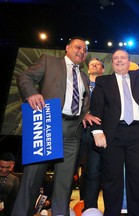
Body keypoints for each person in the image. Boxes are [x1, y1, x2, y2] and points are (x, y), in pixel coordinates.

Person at [12, 36, 100, 216]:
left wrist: (85, 114)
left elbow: (81, 102)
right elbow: (25, 76)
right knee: (32, 178)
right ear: (67, 48)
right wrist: (31, 94)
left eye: (84, 50)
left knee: (65, 181)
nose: (81, 52)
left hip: (73, 131)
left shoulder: (83, 76)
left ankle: (60, 213)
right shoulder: (49, 61)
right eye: (78, 47)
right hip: (48, 124)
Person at [90, 48, 139, 216]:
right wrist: (97, 131)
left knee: (137, 178)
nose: (119, 60)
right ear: (112, 62)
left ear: (129, 62)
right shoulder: (103, 81)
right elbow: (96, 107)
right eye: (115, 58)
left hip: (137, 133)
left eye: (123, 58)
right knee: (112, 178)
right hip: (112, 135)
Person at [81, 57, 104, 211]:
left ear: (102, 69)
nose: (94, 65)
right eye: (91, 64)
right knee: (69, 171)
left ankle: (90, 209)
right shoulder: (79, 81)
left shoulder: (107, 85)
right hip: (78, 131)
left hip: (98, 132)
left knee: (93, 172)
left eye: (97, 64)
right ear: (88, 69)